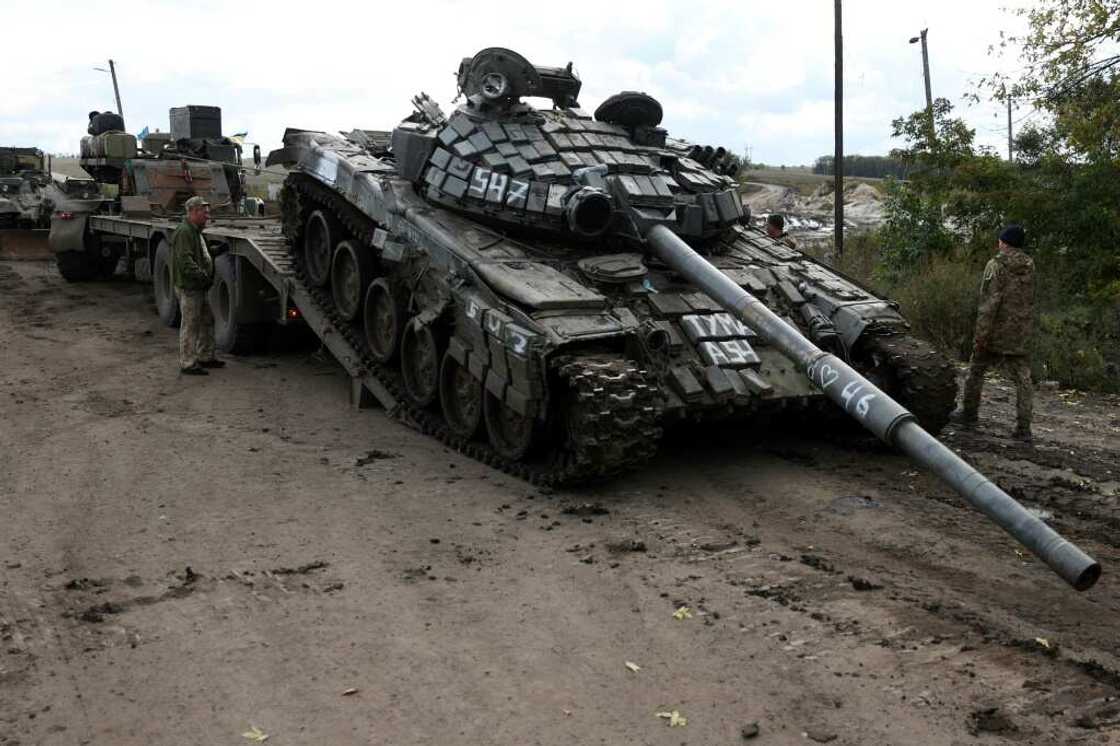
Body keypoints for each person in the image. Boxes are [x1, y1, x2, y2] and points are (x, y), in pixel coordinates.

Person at [955, 224, 1034, 441]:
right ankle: (1024, 428)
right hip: (1020, 331)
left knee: (976, 371)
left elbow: (989, 303)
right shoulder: (1029, 265)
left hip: (995, 331)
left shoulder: (995, 265)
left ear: (1004, 242)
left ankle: (969, 415)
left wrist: (981, 335)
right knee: (1023, 379)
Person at [170, 195, 224, 375]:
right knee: (190, 325)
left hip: (197, 286)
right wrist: (203, 277)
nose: (207, 216)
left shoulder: (195, 231)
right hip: (190, 287)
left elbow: (201, 255)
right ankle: (187, 363)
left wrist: (216, 251)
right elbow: (186, 263)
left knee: (207, 320)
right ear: (193, 212)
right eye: (204, 213)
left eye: (208, 212)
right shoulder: (184, 232)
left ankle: (205, 356)